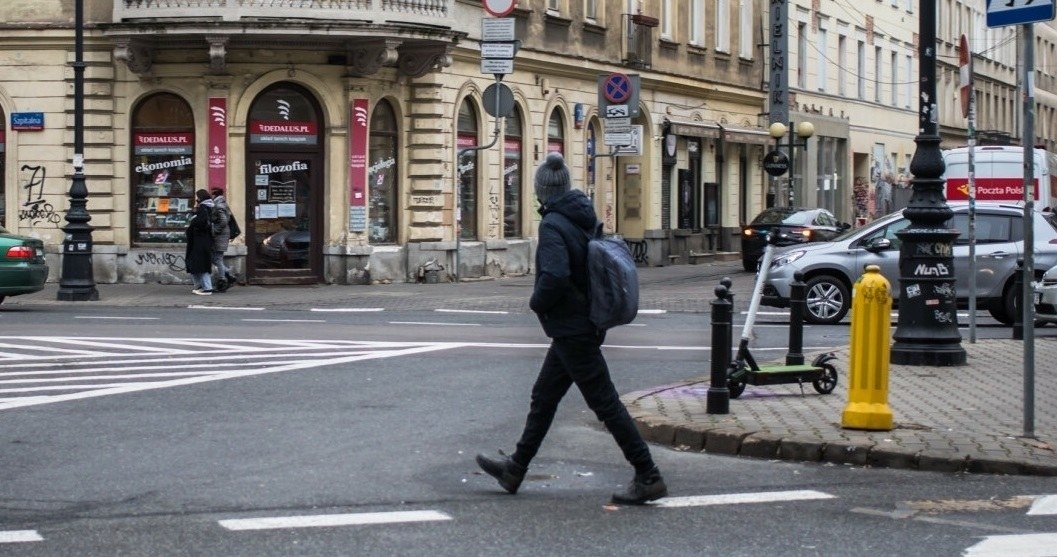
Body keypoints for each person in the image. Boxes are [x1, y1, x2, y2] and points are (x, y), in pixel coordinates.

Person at [476, 153, 667, 506]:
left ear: (542, 192)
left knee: (605, 403)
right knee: (544, 396)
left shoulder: (552, 224)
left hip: (572, 328)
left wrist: (537, 303)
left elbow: (556, 275)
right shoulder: (582, 216)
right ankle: (515, 468)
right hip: (584, 323)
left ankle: (648, 474)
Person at [186, 189, 215, 295]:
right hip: (204, 240)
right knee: (196, 263)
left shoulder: (204, 207)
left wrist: (193, 221)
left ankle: (207, 288)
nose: (196, 199)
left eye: (197, 197)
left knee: (200, 263)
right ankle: (199, 285)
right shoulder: (209, 206)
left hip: (200, 240)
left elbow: (200, 221)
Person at [209, 188, 238, 291]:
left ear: (214, 195)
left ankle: (223, 279)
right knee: (216, 258)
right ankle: (228, 274)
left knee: (217, 258)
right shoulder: (222, 203)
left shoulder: (218, 205)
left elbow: (223, 221)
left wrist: (215, 230)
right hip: (223, 234)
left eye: (211, 194)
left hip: (220, 235)